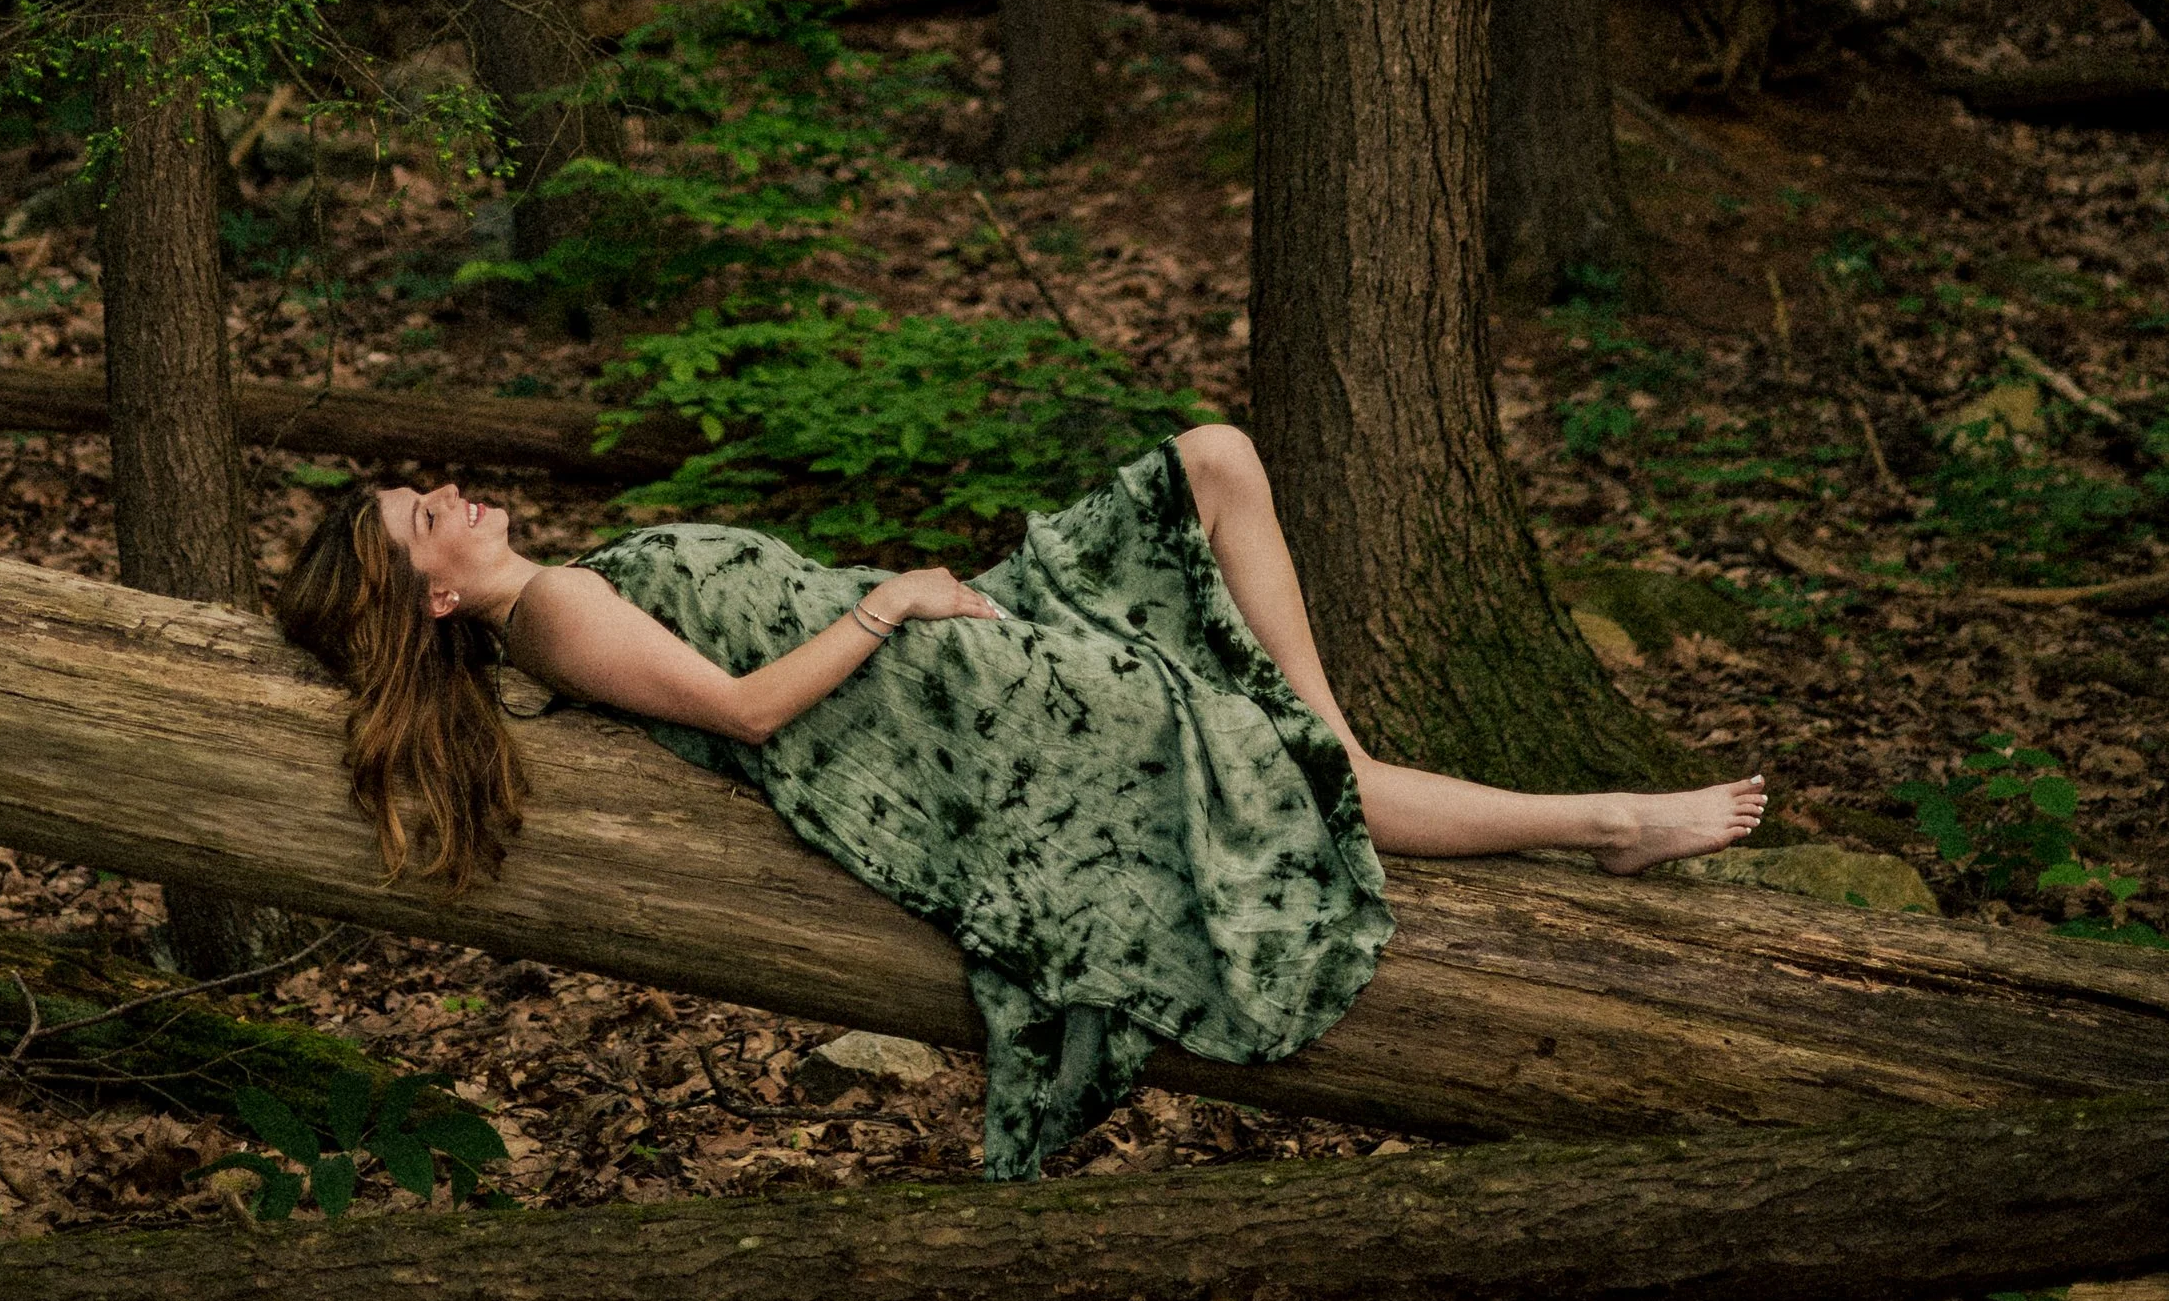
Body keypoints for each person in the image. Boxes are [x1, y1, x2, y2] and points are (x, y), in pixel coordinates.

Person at [276, 426, 1764, 1177]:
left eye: (436, 493)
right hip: (952, 717)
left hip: (953, 661)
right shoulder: (552, 611)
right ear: (432, 597)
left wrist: (921, 606)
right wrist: (895, 605)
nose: (456, 498)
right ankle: (1606, 819)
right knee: (1242, 597)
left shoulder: (554, 592)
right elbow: (743, 710)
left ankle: (1341, 754)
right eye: (427, 519)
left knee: (1219, 461)